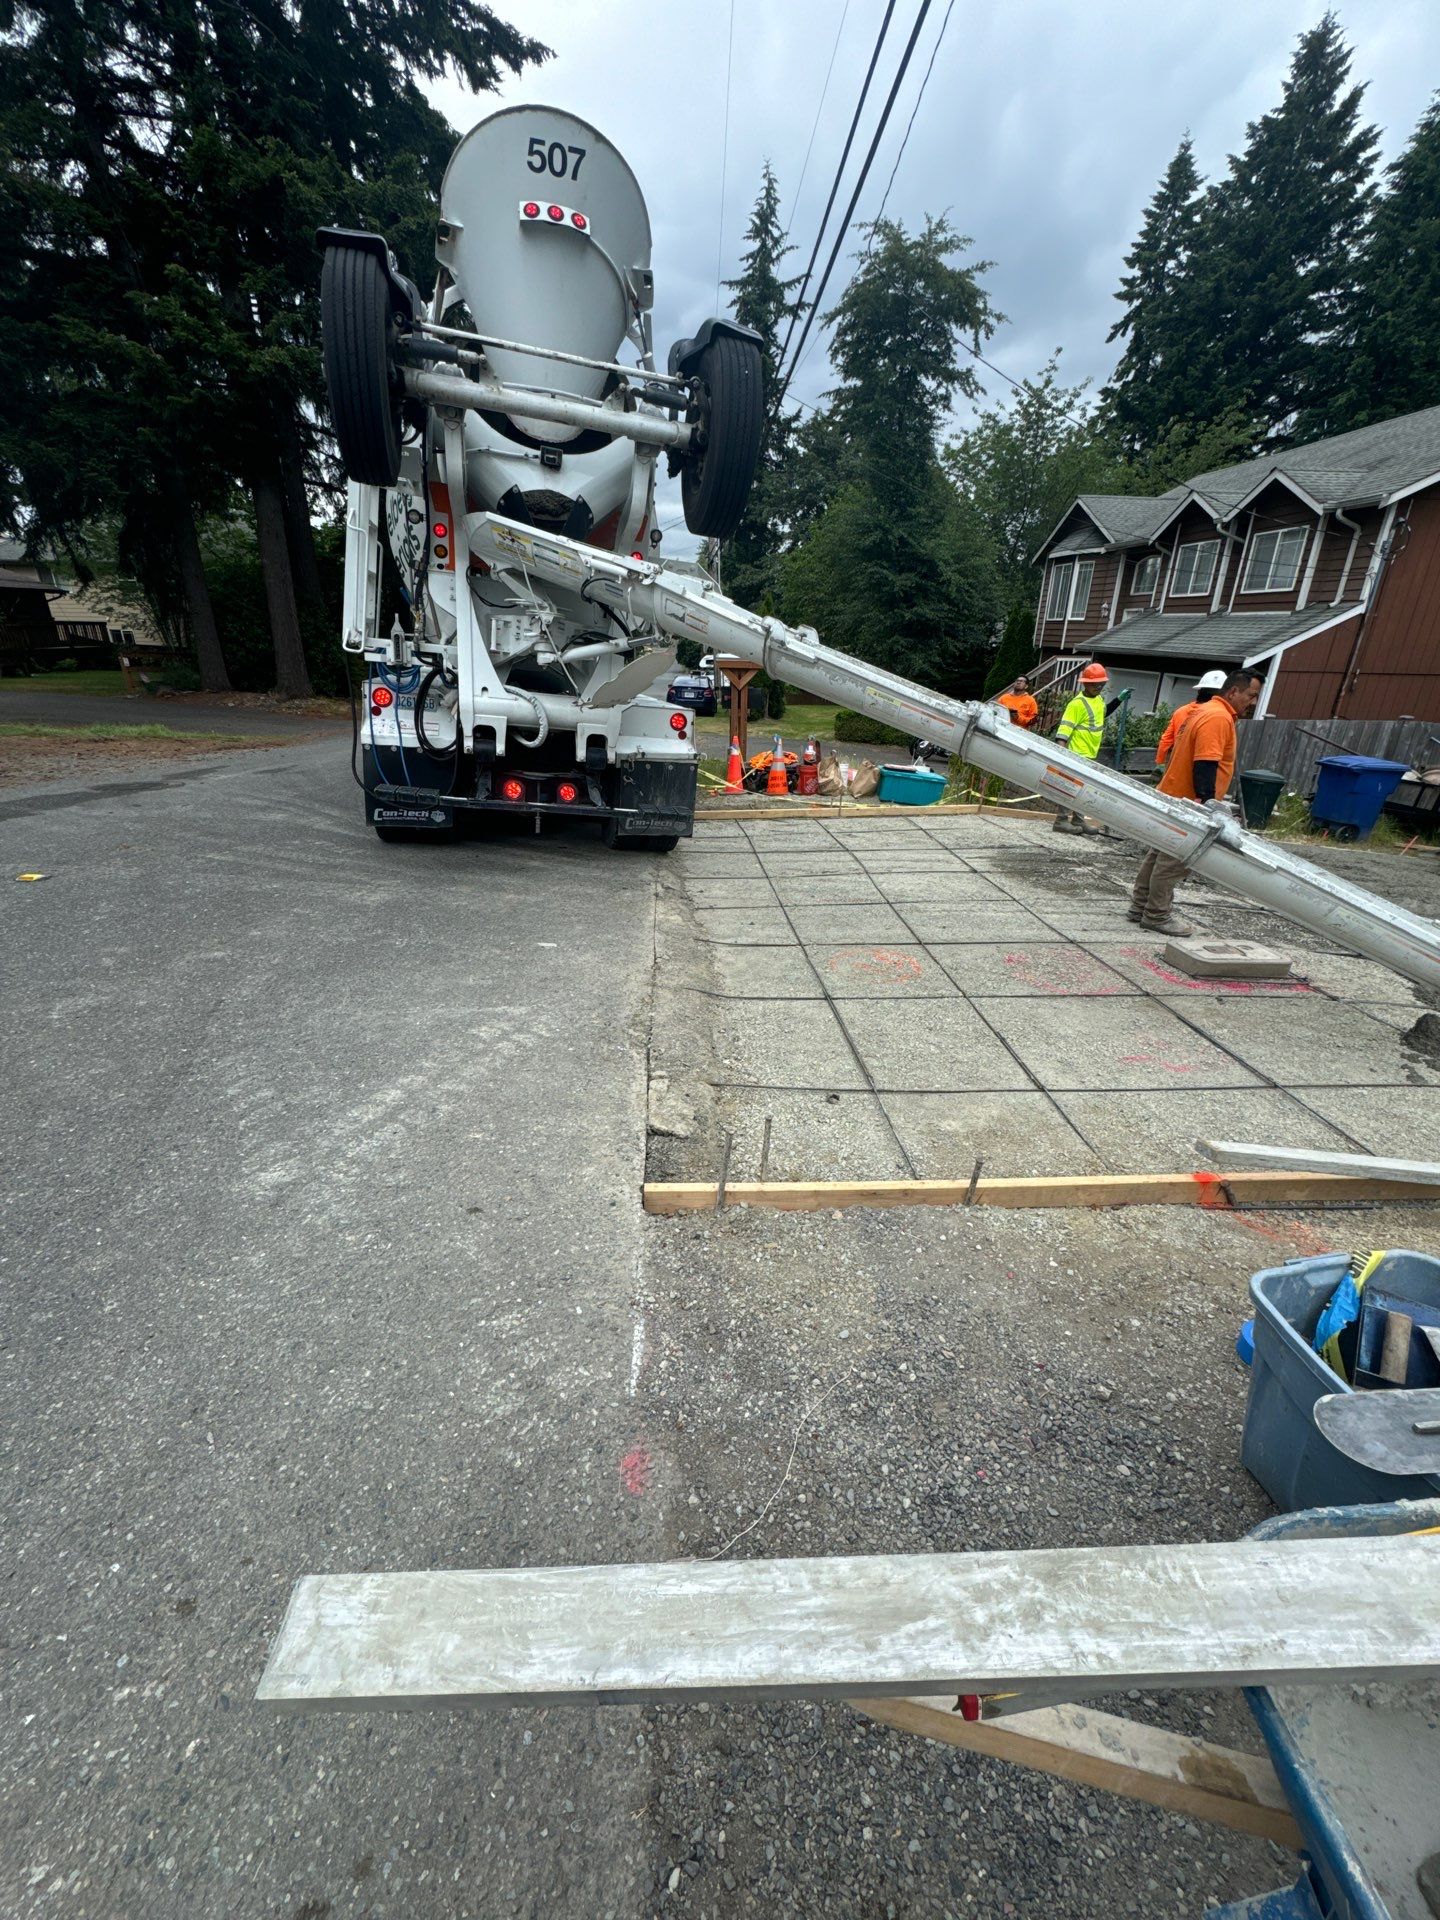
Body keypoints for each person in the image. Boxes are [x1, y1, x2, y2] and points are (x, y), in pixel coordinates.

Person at [1129, 667, 1263, 935]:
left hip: (1175, 795)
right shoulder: (1218, 718)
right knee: (1174, 860)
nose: (1253, 702)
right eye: (1251, 695)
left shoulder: (1204, 711)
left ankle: (1140, 906)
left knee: (1158, 854)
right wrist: (1209, 804)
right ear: (1233, 691)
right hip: (1190, 803)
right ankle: (1156, 915)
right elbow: (1206, 763)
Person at [1052, 662, 1113, 833]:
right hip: (1076, 754)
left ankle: (1078, 821)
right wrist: (1062, 755)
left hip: (1090, 754)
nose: (1099, 687)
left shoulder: (1099, 700)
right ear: (1085, 683)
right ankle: (1061, 821)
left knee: (1083, 790)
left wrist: (1118, 700)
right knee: (1070, 787)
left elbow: (1101, 715)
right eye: (1095, 684)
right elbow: (1064, 731)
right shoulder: (1076, 704)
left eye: (1101, 684)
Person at [1154, 670, 1228, 767]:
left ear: (1199, 691)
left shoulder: (1181, 711)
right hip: (1203, 766)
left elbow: (1166, 740)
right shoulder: (1219, 716)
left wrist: (1160, 764)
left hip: (1177, 764)